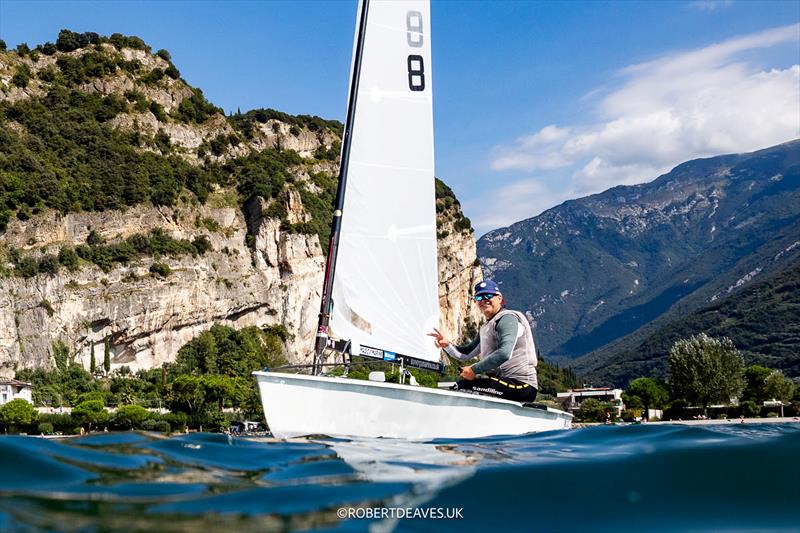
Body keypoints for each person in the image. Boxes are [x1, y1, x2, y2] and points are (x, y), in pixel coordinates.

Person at [428, 280, 538, 402]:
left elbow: (504, 353)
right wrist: (447, 345)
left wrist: (474, 370)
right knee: (457, 386)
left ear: (499, 298)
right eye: (479, 297)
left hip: (522, 385)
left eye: (488, 295)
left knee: (462, 386)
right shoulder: (487, 327)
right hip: (503, 383)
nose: (484, 300)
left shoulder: (507, 319)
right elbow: (465, 353)